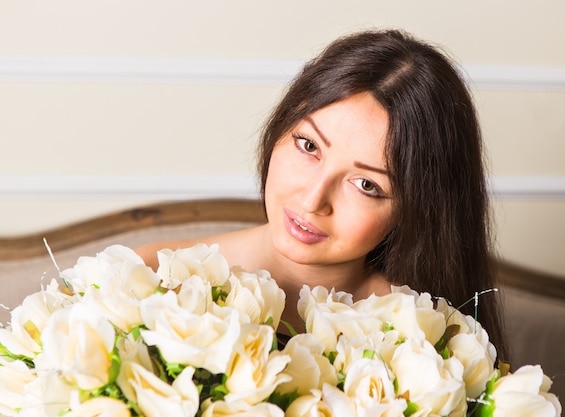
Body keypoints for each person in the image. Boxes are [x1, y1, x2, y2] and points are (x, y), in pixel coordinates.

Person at [137, 28, 507, 358]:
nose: (313, 200)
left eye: (367, 185)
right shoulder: (146, 280)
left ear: (418, 209)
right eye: (308, 146)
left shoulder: (427, 349)